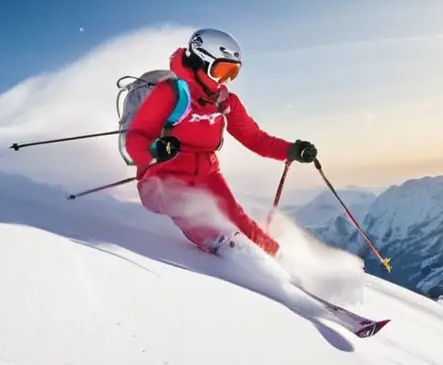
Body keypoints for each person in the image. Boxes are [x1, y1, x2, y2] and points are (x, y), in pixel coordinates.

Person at [124, 28, 317, 257]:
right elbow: (136, 136)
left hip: (207, 173)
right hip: (161, 175)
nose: (225, 80)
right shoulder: (171, 93)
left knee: (236, 216)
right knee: (186, 207)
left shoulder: (225, 102)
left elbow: (254, 138)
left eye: (232, 73)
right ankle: (230, 252)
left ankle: (274, 256)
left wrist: (290, 150)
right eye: (222, 71)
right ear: (200, 61)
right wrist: (155, 150)